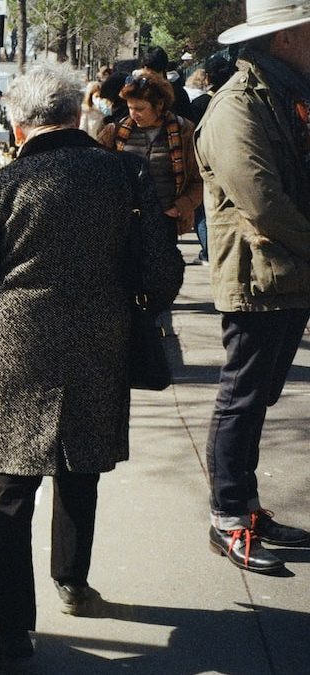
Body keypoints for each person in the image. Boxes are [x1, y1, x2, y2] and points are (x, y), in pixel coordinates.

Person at [0, 63, 182, 671]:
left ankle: (14, 631)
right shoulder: (124, 173)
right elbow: (161, 271)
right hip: (99, 339)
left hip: (18, 345)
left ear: (19, 124)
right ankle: (73, 583)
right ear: (79, 112)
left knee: (9, 490)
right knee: (81, 466)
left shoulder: (4, 185)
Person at [195, 1, 310, 575]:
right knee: (242, 399)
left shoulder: (281, 94)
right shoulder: (237, 105)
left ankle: (245, 506)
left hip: (284, 273)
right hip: (258, 274)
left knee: (256, 399)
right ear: (286, 38)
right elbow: (262, 201)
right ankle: (229, 518)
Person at [98, 70, 203, 239]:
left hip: (166, 220)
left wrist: (180, 207)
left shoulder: (184, 131)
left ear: (159, 105)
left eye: (140, 108)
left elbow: (199, 179)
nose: (133, 114)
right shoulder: (114, 132)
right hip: (125, 223)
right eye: (130, 107)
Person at [188, 54, 236, 263]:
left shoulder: (199, 103)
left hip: (204, 161)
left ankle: (208, 251)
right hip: (230, 161)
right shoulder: (235, 100)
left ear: (208, 77)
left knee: (204, 210)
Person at [140, 45, 194, 120]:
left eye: (153, 74)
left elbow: (187, 122)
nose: (149, 79)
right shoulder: (138, 91)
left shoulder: (177, 93)